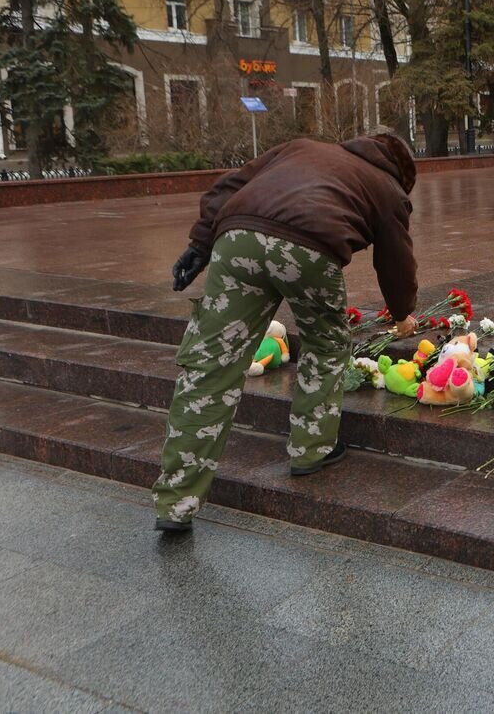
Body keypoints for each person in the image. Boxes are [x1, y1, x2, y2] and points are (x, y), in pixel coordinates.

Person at [152, 128, 420, 532]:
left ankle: (175, 503)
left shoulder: (301, 148)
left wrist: (200, 244)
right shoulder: (388, 188)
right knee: (326, 343)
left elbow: (229, 186)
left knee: (210, 368)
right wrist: (402, 313)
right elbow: (396, 262)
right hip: (309, 249)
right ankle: (311, 449)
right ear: (403, 174)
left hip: (236, 240)